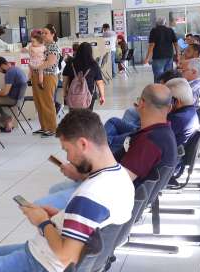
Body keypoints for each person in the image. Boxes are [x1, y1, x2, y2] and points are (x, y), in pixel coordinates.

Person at [0, 110, 133, 272]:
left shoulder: (90, 194)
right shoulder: (121, 177)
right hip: (49, 257)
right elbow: (89, 224)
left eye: (67, 150)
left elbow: (66, 256)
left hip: (45, 268)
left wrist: (43, 222)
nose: (68, 158)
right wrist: (59, 216)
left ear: (82, 144)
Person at [39, 84, 177, 210]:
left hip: (112, 200)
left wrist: (80, 174)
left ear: (141, 103)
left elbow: (116, 183)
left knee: (41, 205)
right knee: (55, 189)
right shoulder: (162, 133)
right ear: (170, 108)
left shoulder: (150, 142)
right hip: (117, 189)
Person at [30, 25, 61, 137]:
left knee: (47, 103)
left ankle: (52, 128)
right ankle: (44, 127)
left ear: (53, 34)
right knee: (39, 103)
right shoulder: (43, 45)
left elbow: (50, 62)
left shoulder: (53, 46)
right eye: (42, 33)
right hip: (37, 75)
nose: (43, 35)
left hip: (48, 77)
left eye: (46, 33)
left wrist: (37, 67)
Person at [61, 42, 106, 109]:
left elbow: (65, 80)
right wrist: (102, 96)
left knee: (73, 114)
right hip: (89, 95)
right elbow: (99, 82)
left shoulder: (70, 63)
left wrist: (64, 93)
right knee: (87, 114)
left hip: (73, 95)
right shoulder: (93, 64)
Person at [0, 57, 27, 133]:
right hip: (19, 99)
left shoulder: (9, 73)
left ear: (2, 65)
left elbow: (5, 92)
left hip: (13, 99)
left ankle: (7, 120)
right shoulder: (16, 69)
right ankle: (7, 120)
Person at [165, 78, 199, 147]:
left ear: (176, 102)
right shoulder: (191, 112)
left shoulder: (176, 119)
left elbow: (154, 138)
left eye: (166, 99)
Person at [144, 17, 178, 82]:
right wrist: (178, 55)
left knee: (159, 77)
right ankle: (168, 87)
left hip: (158, 57)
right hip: (169, 56)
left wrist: (147, 58)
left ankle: (159, 88)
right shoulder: (170, 30)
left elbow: (151, 45)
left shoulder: (154, 30)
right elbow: (176, 44)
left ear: (156, 23)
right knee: (168, 77)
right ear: (165, 23)